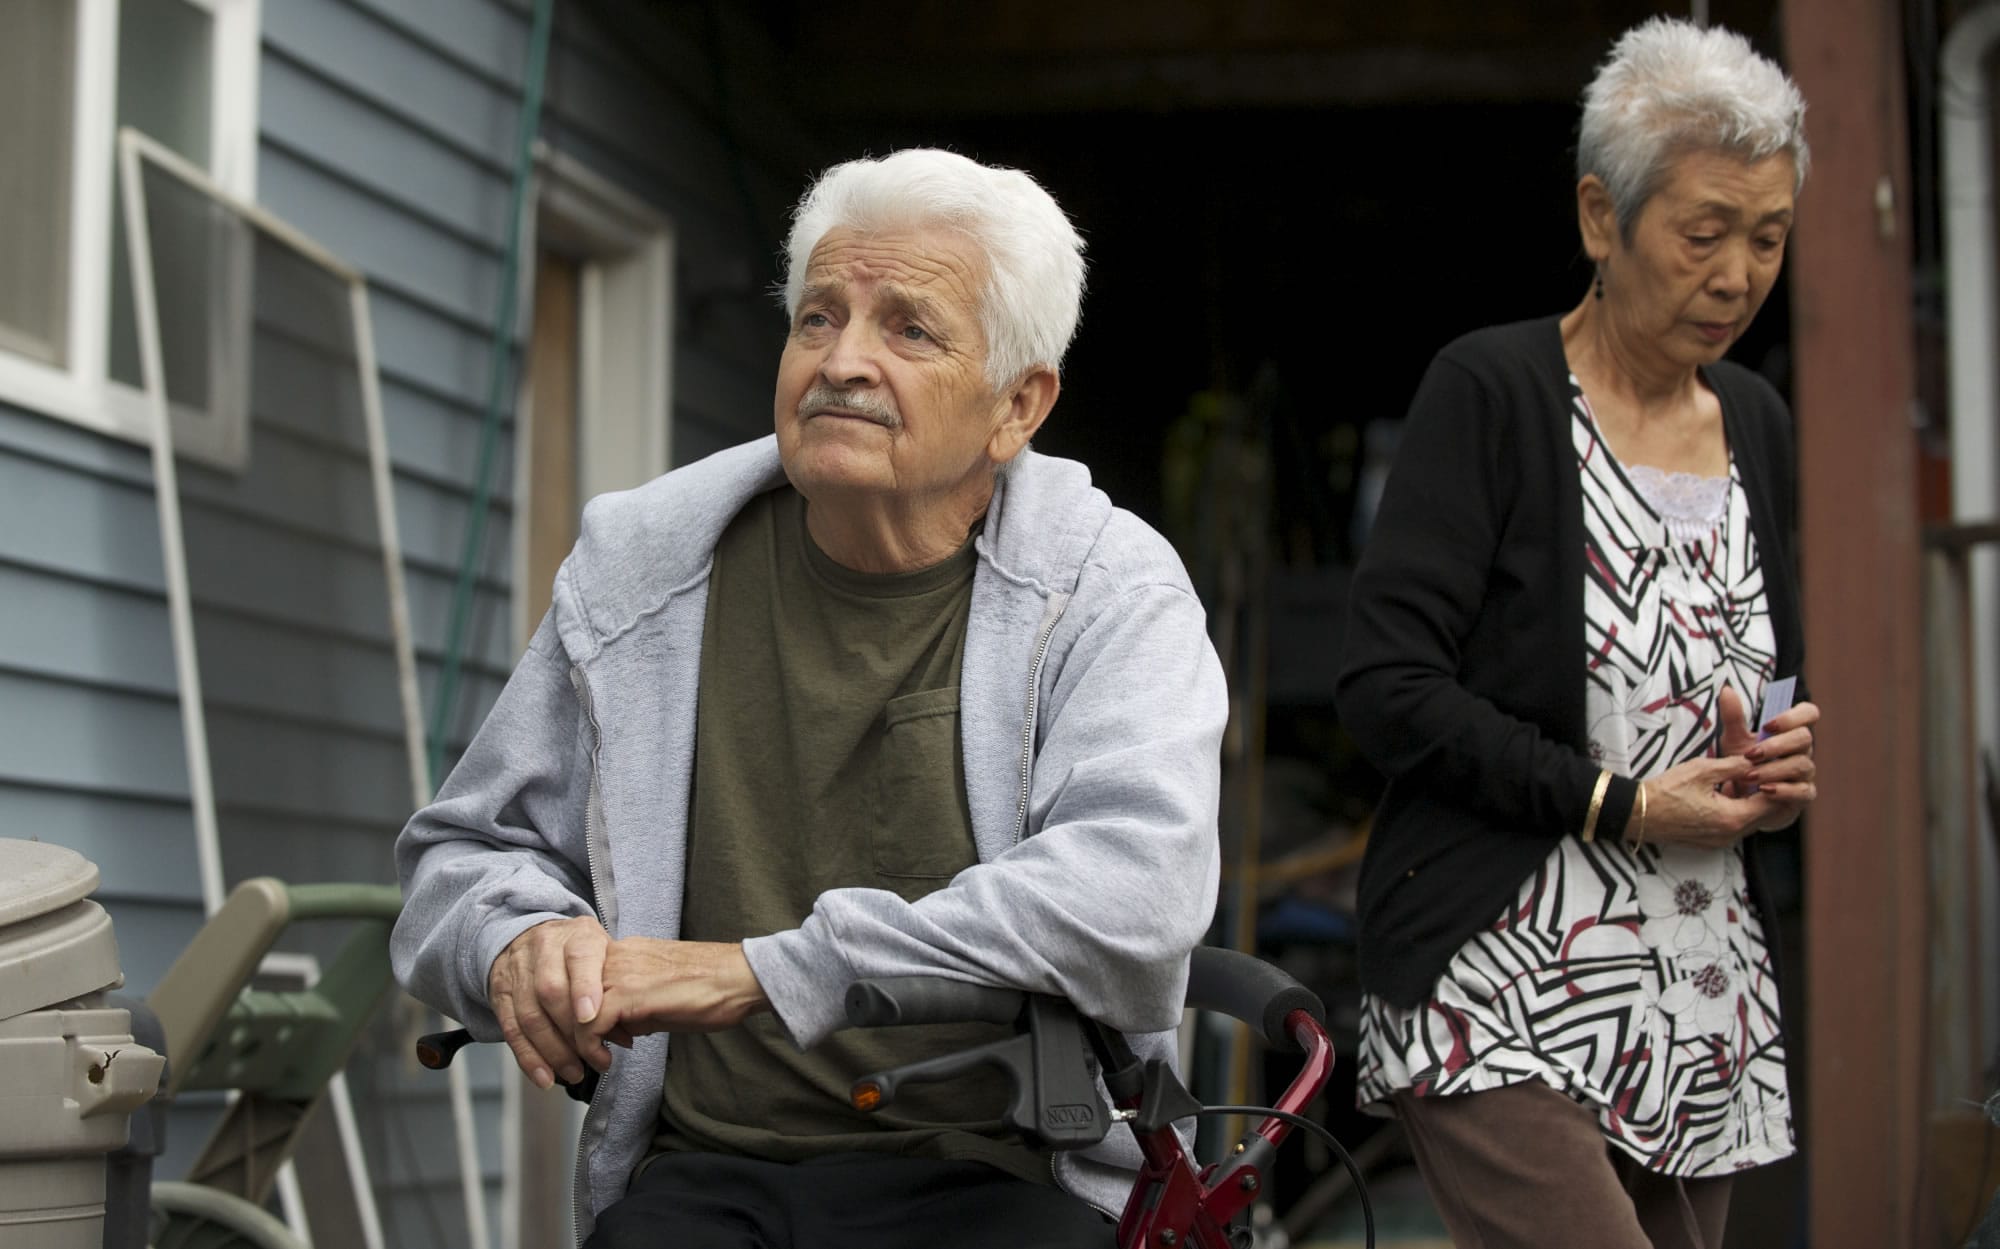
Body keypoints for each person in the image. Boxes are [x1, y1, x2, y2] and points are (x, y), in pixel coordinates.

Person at [390, 148, 1226, 1248]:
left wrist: (757, 972)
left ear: (1016, 404)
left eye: (908, 330)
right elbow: (458, 856)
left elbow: (1131, 892)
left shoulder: (1106, 591)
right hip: (706, 1168)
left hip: (998, 1171)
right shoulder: (641, 569)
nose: (844, 361)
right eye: (818, 318)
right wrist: (520, 936)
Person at [1334, 19, 1819, 1249]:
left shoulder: (1755, 418)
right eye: (1702, 232)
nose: (1737, 273)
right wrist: (1623, 803)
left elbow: (1758, 663)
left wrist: (1773, 761)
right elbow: (1387, 687)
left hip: (1694, 968)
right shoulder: (1491, 394)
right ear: (1601, 219)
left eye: (1765, 238)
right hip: (1500, 959)